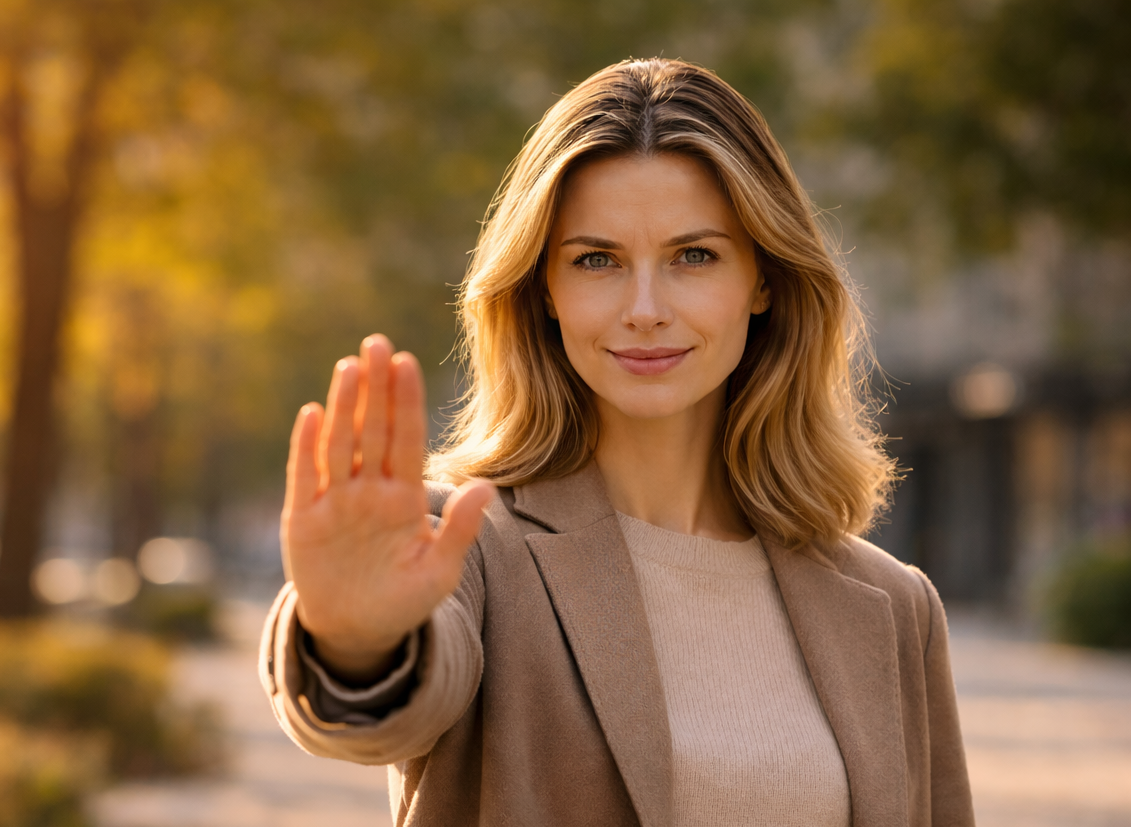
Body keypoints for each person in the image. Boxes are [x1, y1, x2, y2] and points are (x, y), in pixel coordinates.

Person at [259, 58, 974, 827]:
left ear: (763, 279)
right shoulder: (466, 551)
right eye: (596, 260)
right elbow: (393, 700)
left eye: (693, 256)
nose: (644, 308)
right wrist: (356, 641)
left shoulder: (894, 607)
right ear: (544, 291)